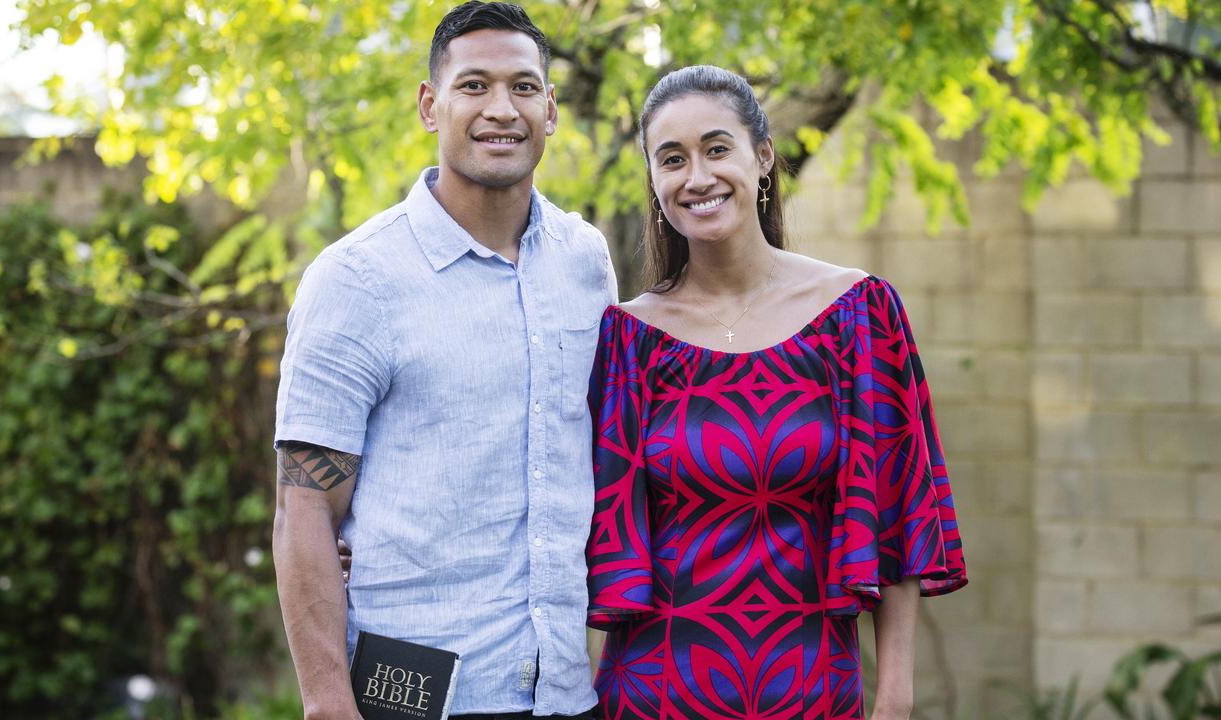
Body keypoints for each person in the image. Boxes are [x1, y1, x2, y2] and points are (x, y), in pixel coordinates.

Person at [584, 65, 968, 719]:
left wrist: (895, 701)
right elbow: (584, 533)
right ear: (652, 179)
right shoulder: (627, 340)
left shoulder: (859, 315)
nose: (697, 177)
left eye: (716, 148)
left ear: (763, 157)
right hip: (653, 696)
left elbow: (902, 518)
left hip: (814, 694)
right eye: (671, 159)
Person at [271, 2, 615, 719]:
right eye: (473, 85)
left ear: (551, 109)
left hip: (565, 693)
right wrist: (328, 702)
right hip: (412, 699)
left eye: (523, 87)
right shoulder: (357, 281)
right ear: (431, 105)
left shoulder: (586, 263)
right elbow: (303, 508)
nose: (502, 109)